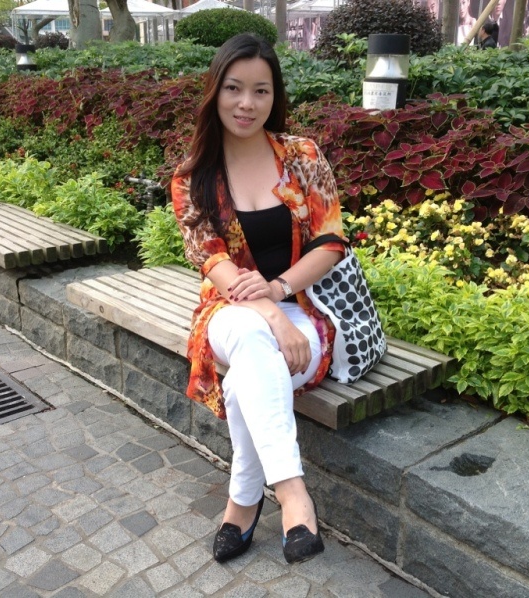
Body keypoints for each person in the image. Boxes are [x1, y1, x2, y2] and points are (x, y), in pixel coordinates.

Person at [171, 33, 346, 565]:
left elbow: (330, 242)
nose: (246, 103)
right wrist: (269, 310)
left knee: (249, 374)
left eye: (260, 91)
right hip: (230, 312)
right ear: (215, 92)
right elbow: (214, 263)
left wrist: (279, 291)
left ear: (275, 96)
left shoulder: (302, 157)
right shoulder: (192, 177)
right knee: (250, 335)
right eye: (234, 88)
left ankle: (243, 503)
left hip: (305, 311)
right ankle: (294, 495)